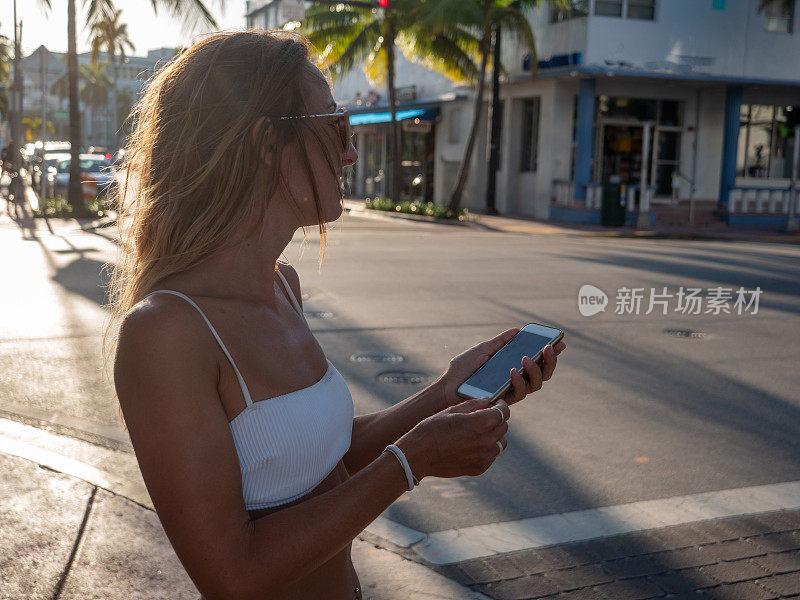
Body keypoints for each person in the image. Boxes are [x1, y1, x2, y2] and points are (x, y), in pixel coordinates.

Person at [105, 30, 565, 600]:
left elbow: (324, 458)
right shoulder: (165, 332)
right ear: (266, 144)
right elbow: (233, 575)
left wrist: (446, 392)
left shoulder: (283, 288)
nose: (350, 152)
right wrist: (412, 461)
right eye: (336, 128)